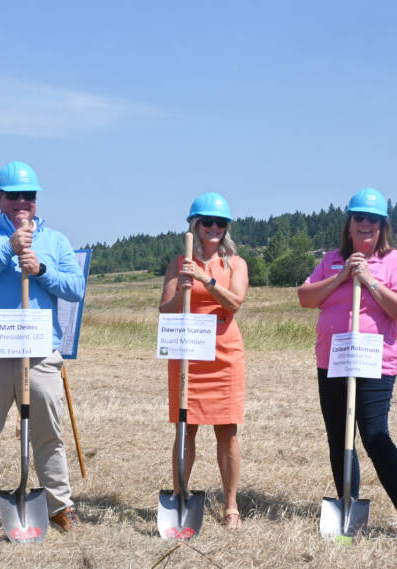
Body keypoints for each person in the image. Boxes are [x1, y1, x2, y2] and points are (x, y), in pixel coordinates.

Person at [0, 161, 85, 539]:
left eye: (29, 196)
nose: (22, 202)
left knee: (49, 434)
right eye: (14, 196)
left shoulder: (56, 242)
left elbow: (74, 289)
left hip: (40, 354)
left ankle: (60, 505)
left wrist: (42, 269)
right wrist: (7, 252)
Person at [297, 187, 397, 534]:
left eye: (373, 220)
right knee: (340, 438)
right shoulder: (331, 259)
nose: (365, 224)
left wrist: (369, 281)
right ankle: (347, 511)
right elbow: (306, 297)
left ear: (382, 226)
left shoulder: (394, 261)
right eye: (359, 218)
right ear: (349, 224)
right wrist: (341, 276)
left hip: (375, 362)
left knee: (375, 434)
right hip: (333, 360)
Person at [158, 192, 248, 529]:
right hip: (188, 353)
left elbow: (234, 302)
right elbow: (164, 311)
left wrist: (204, 279)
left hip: (224, 354)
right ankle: (181, 497)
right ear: (195, 226)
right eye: (207, 222)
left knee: (227, 431)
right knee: (186, 428)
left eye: (220, 223)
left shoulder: (235, 264)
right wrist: (182, 288)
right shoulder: (177, 263)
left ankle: (231, 506)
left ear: (226, 228)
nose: (213, 228)